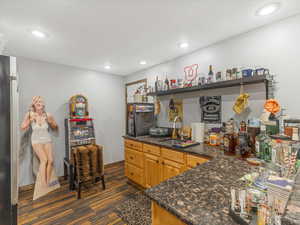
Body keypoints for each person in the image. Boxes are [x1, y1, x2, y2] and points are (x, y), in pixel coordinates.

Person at [21, 96, 60, 200]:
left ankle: (47, 182)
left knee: (50, 161)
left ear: (43, 104)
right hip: (36, 141)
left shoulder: (48, 115)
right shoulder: (29, 114)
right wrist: (30, 120)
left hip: (47, 139)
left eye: (41, 101)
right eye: (37, 101)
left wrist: (51, 122)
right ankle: (43, 185)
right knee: (44, 160)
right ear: (34, 104)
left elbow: (55, 126)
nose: (39, 103)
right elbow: (22, 127)